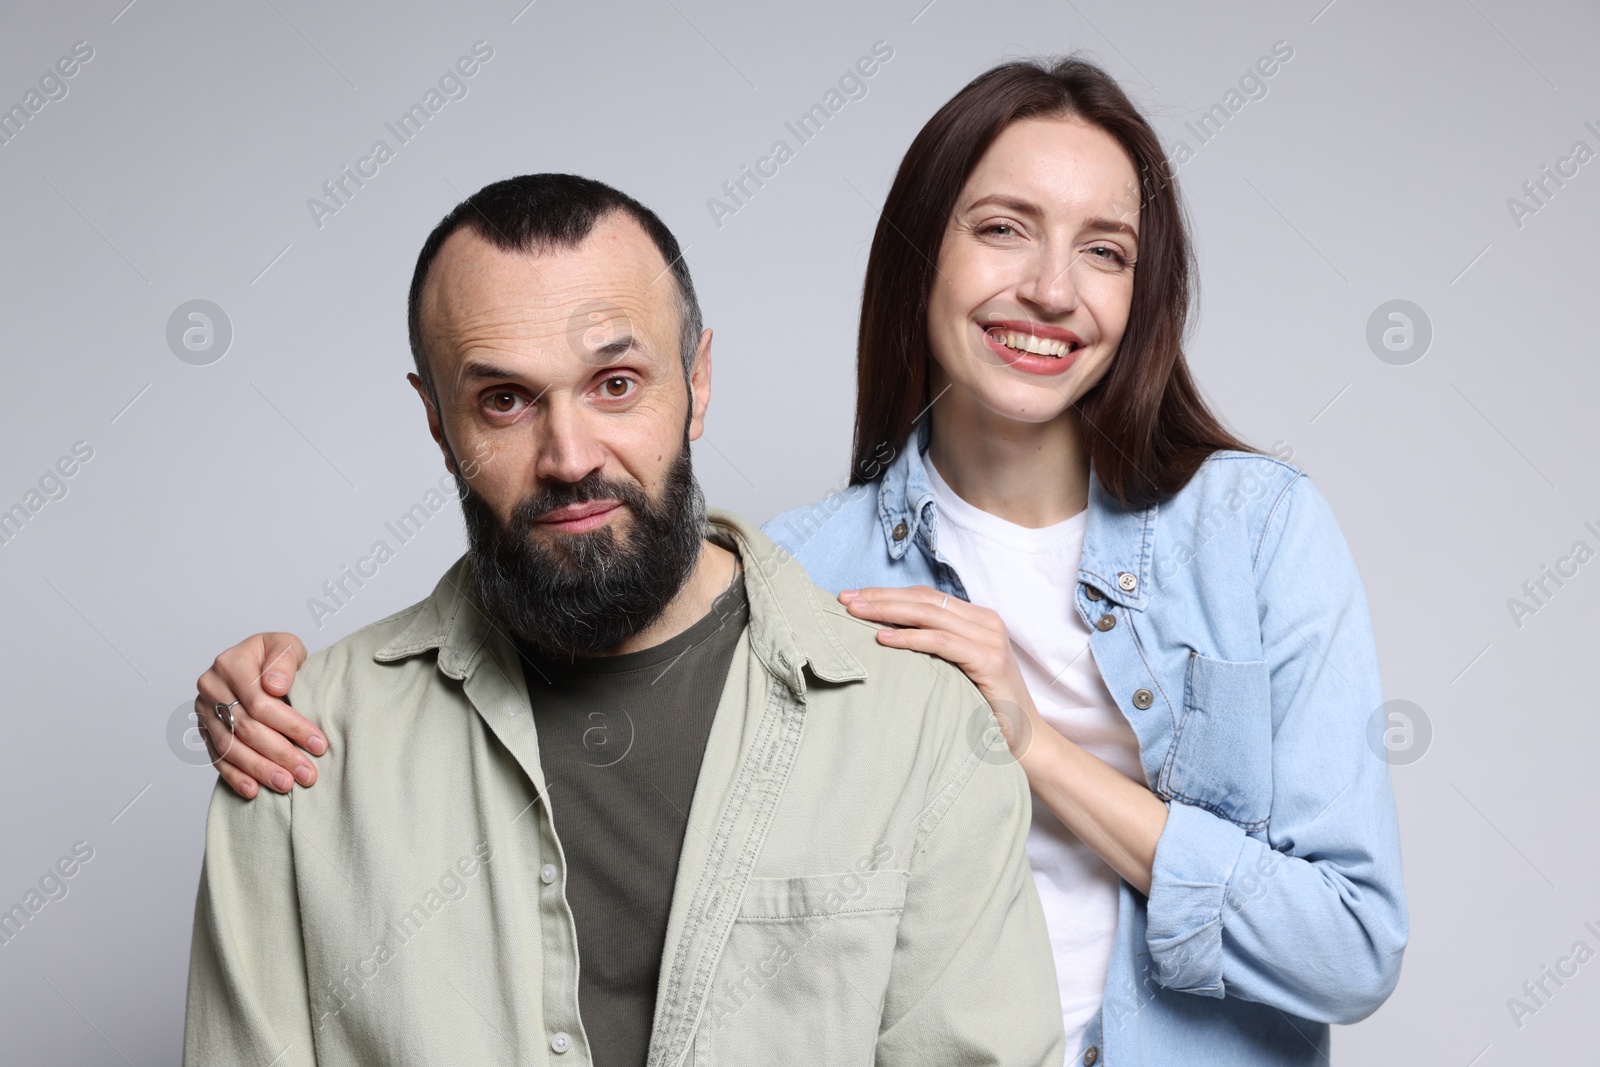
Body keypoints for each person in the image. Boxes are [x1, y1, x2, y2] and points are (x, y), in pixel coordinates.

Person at [195, 58, 1408, 1065]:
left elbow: (1350, 946)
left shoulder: (1253, 529)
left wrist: (1030, 746)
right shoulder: (803, 572)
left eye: (1105, 250)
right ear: (920, 255)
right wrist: (303, 695)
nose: (1050, 286)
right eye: (1001, 230)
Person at [182, 173, 1065, 1067]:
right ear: (437, 422)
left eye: (614, 383)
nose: (569, 457)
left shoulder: (918, 728)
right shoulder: (294, 744)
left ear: (697, 382)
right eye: (504, 401)